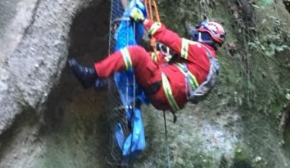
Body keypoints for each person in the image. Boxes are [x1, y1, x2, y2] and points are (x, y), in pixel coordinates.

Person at [68, 9, 225, 112]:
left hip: (163, 89)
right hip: (165, 100)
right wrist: (154, 56)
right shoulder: (205, 63)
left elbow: (171, 40)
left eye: (199, 32)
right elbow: (169, 64)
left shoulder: (201, 52)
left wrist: (144, 21)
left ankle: (92, 75)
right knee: (142, 62)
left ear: (206, 35)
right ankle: (107, 84)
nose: (195, 35)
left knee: (136, 54)